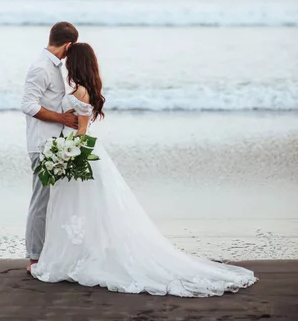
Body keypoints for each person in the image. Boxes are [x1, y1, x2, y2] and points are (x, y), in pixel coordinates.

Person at [31, 42, 257, 297]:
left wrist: (68, 155)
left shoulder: (80, 91)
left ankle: (77, 259)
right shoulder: (84, 89)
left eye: (70, 60)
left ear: (76, 63)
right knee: (84, 209)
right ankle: (78, 255)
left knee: (81, 207)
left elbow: (81, 131)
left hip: (78, 152)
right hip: (79, 152)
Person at [21, 21, 79, 275]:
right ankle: (34, 257)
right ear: (68, 45)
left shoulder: (53, 66)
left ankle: (49, 252)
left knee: (54, 201)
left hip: (53, 145)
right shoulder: (41, 68)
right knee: (41, 201)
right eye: (71, 47)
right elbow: (29, 105)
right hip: (41, 145)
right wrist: (63, 119)